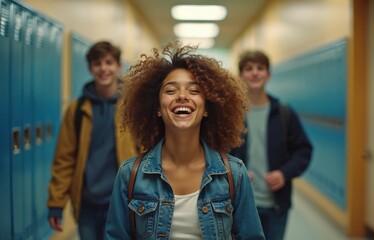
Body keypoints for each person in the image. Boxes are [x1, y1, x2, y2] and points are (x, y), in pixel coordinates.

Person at [105, 41, 265, 240]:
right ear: (156, 108)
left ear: (207, 108)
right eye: (171, 90)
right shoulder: (130, 174)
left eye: (194, 91)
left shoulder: (234, 174)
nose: (182, 96)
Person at [47, 41, 137, 239]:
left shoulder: (131, 107)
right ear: (90, 68)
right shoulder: (77, 110)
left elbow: (146, 152)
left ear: (118, 67)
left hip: (120, 200)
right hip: (87, 202)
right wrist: (56, 203)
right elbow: (64, 159)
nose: (103, 68)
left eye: (109, 62)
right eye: (97, 63)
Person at [230, 50, 313, 240]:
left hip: (276, 205)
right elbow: (217, 151)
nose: (255, 73)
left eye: (260, 68)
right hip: (240, 204)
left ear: (268, 75)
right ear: (240, 75)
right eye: (249, 68)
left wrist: (284, 173)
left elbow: (303, 150)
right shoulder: (231, 114)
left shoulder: (284, 112)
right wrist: (235, 172)